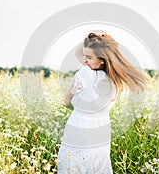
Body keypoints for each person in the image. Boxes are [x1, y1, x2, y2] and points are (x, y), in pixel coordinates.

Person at [57, 30, 149, 173]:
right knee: (97, 165)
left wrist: (91, 37)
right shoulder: (114, 81)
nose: (84, 60)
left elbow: (70, 101)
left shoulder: (86, 73)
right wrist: (96, 41)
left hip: (80, 127)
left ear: (102, 59)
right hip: (101, 130)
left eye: (88, 57)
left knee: (73, 165)